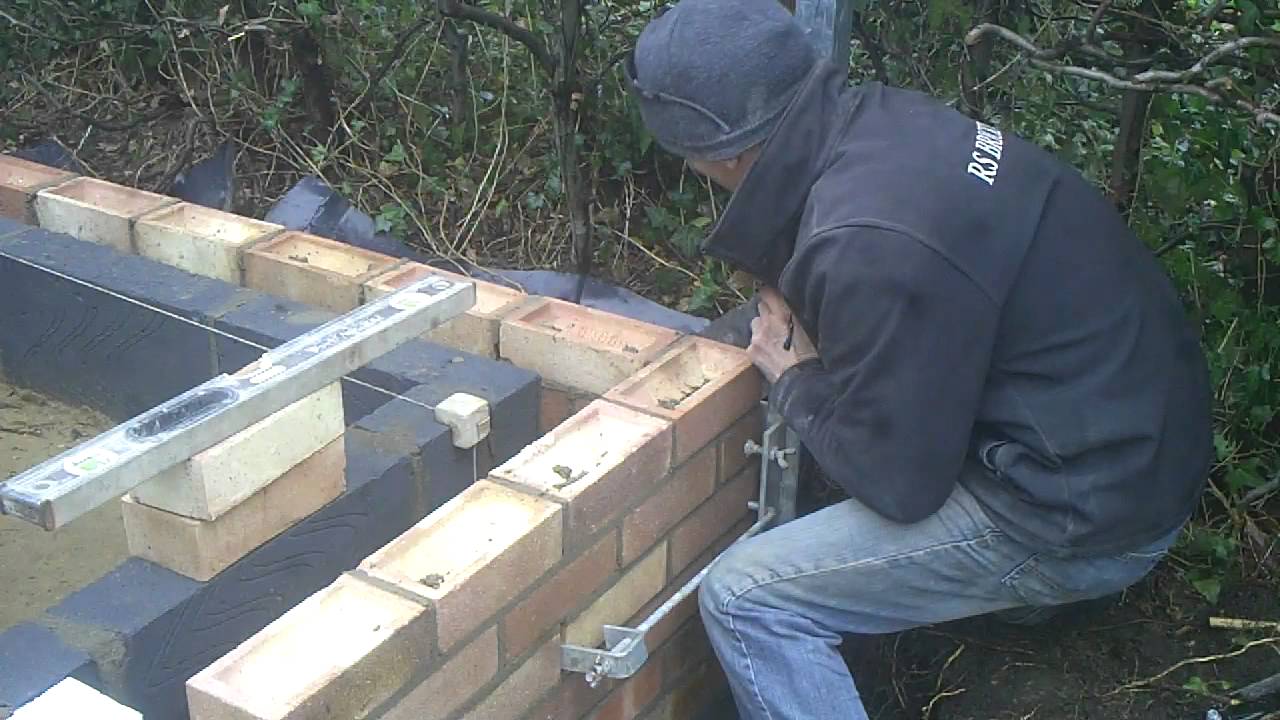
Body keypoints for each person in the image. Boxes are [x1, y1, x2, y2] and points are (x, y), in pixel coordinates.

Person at [624, 0, 1214, 717]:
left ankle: (1038, 580)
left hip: (1082, 516)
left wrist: (798, 381)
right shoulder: (884, 125)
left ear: (717, 151)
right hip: (1137, 448)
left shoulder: (868, 243)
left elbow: (901, 487)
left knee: (747, 596)